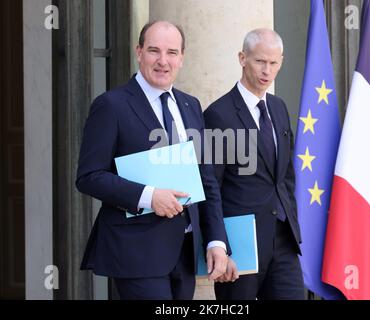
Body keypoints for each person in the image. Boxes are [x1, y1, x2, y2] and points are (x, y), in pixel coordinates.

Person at [76, 21, 230, 300]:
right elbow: (89, 176)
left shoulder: (190, 105)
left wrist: (216, 240)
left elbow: (206, 179)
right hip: (135, 252)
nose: (163, 61)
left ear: (182, 57)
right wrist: (149, 196)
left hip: (184, 251)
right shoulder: (111, 105)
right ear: (139, 52)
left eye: (172, 52)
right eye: (153, 51)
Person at [204, 28, 304, 299]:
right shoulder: (218, 115)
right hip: (241, 249)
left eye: (273, 63)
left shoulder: (279, 107)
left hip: (284, 242)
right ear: (242, 58)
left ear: (281, 62)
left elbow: (286, 176)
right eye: (260, 61)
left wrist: (291, 222)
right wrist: (221, 246)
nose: (266, 70)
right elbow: (210, 187)